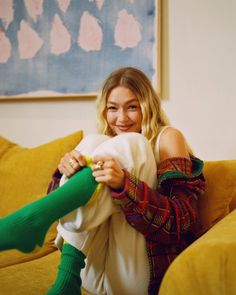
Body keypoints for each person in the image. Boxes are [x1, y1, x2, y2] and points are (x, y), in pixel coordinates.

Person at [0, 67, 206, 295]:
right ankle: (66, 280)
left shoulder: (167, 138)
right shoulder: (104, 144)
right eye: (112, 108)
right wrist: (63, 172)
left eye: (132, 107)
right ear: (104, 111)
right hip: (91, 273)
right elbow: (64, 215)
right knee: (92, 142)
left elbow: (182, 221)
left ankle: (31, 222)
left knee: (134, 143)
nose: (121, 118)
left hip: (138, 274)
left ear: (148, 107)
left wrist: (125, 186)